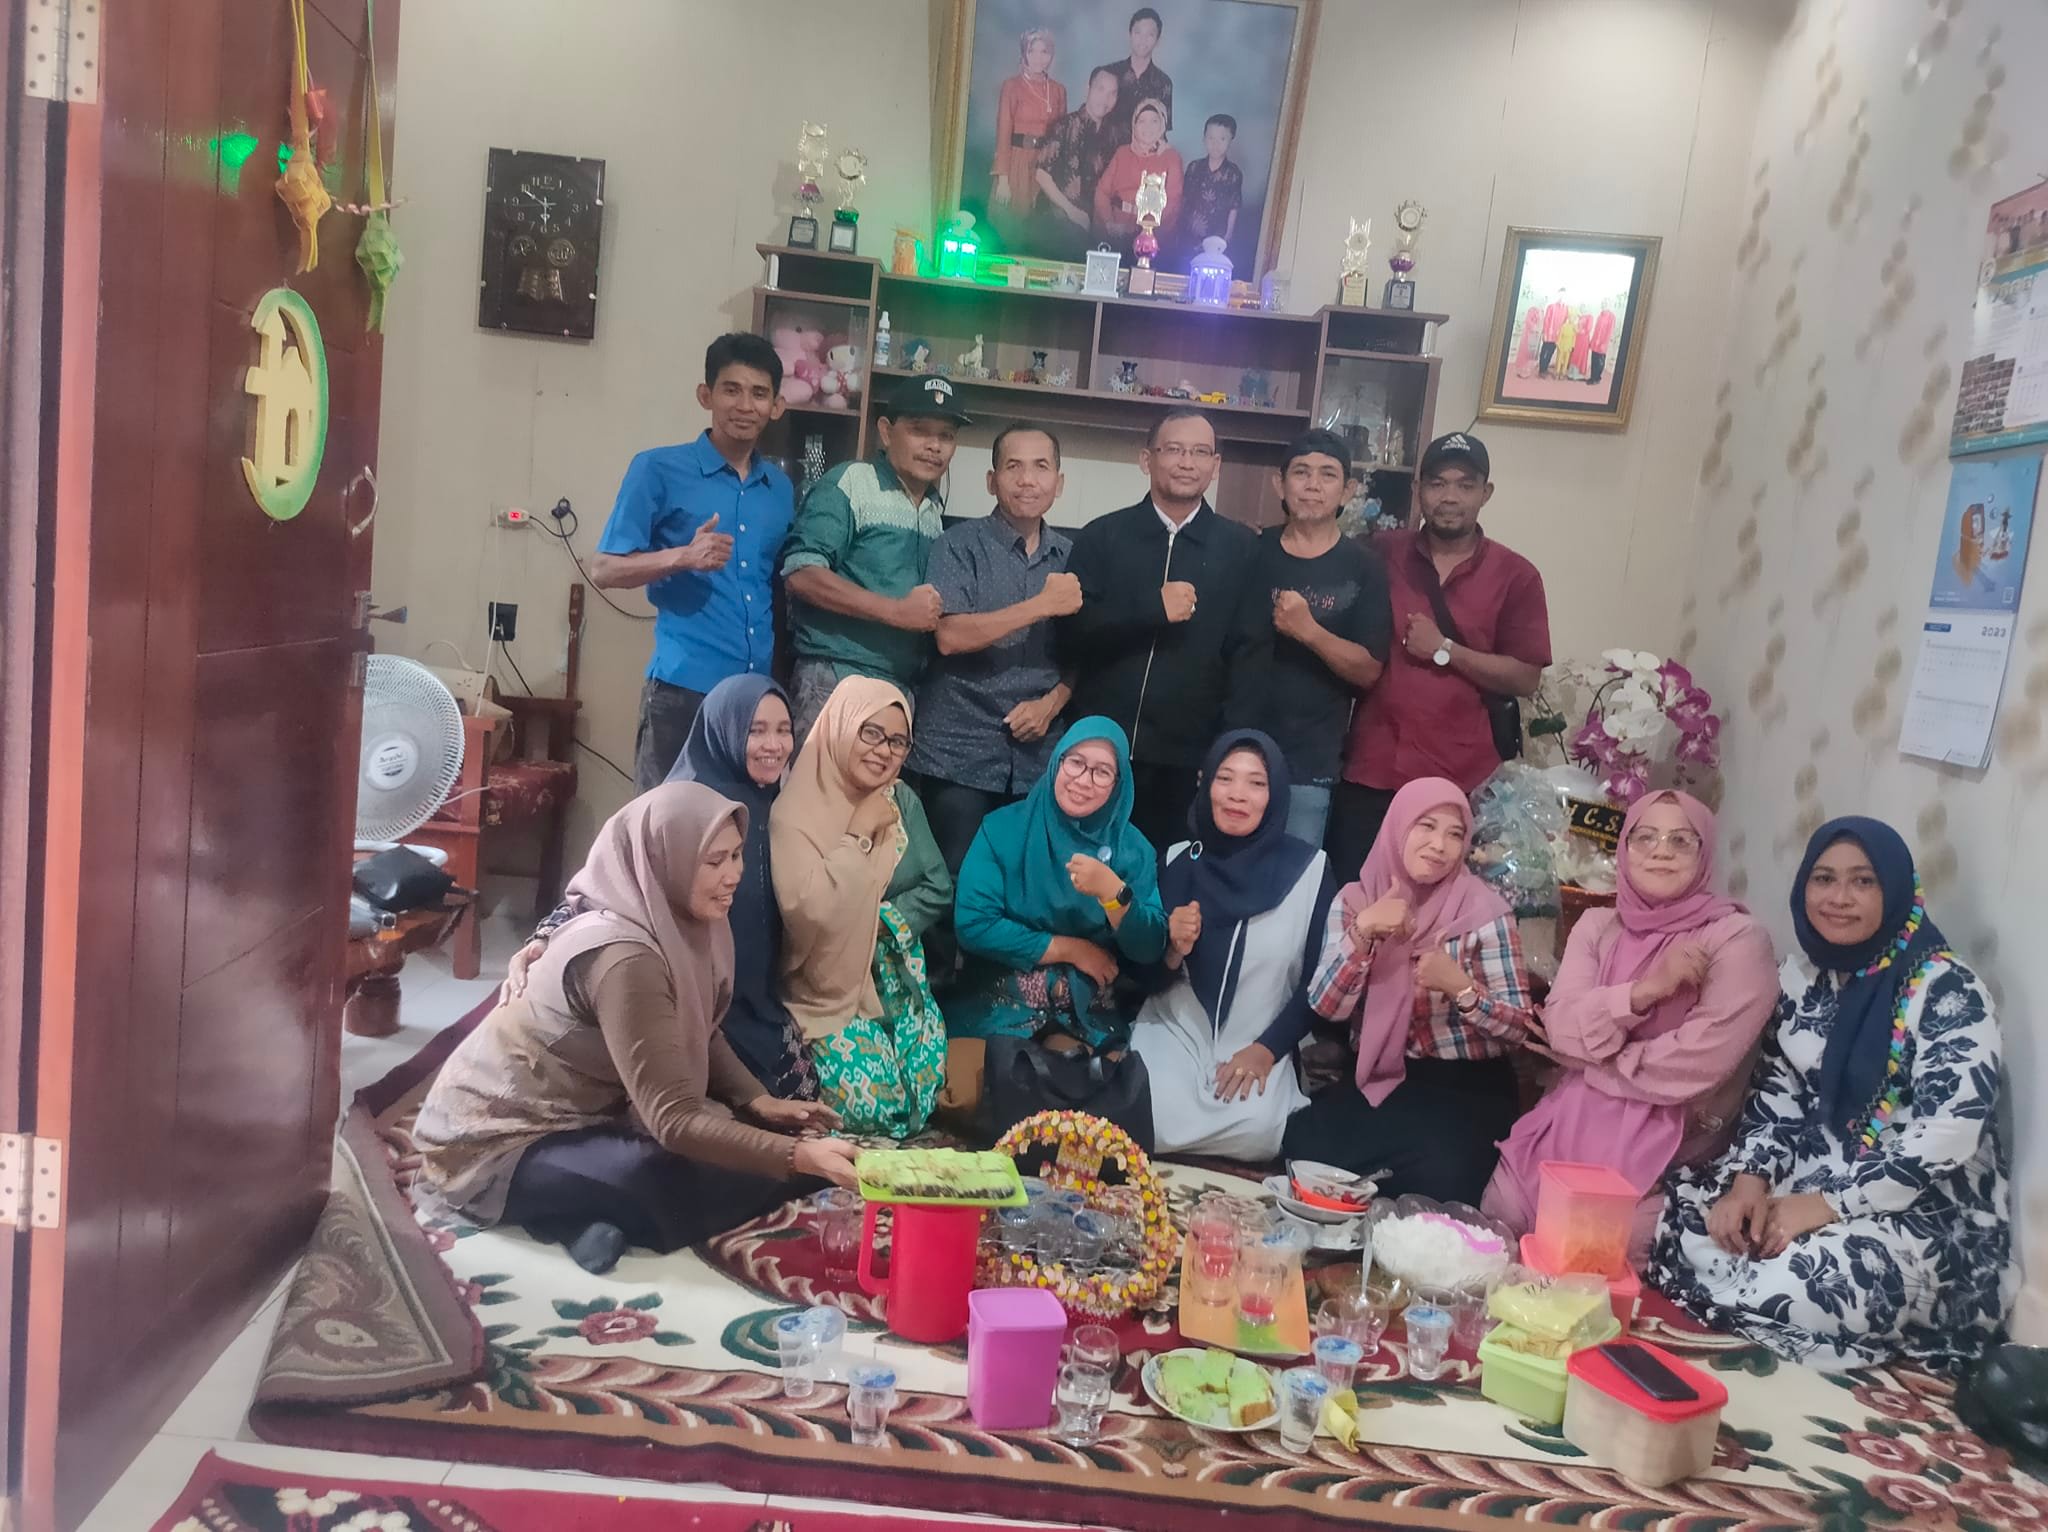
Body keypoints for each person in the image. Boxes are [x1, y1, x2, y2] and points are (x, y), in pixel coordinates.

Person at [412, 783, 858, 1276]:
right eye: (714, 861)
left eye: (736, 856)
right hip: (497, 1142)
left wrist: (758, 1100)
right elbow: (674, 1121)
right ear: (664, 860)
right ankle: (569, 1214)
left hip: (586, 1112)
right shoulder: (625, 957)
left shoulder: (683, 918)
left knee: (732, 1137)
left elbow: (698, 1025)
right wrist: (801, 1159)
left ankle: (582, 1218)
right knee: (670, 1168)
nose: (733, 874)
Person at [1648, 818, 2015, 1373]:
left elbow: (1950, 1130)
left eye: (1863, 881)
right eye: (1824, 879)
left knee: (1809, 1280)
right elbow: (1778, 1091)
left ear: (1895, 890)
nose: (1838, 898)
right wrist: (1750, 1183)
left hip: (1925, 1212)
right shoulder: (1805, 980)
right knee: (1693, 1219)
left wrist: (1825, 1207)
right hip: (1810, 1179)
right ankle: (1756, 1284)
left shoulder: (1947, 990)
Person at [1481, 791, 1778, 1257]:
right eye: (1645, 837)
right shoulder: (1598, 925)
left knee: (1602, 1253)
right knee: (1500, 1222)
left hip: (1670, 1140)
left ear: (1704, 854)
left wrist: (1592, 1062)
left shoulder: (1737, 939)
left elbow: (1697, 1061)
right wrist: (1645, 992)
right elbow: (1563, 1027)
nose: (1661, 851)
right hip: (1568, 1121)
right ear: (1625, 849)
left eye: (1681, 841)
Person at [501, 676, 817, 1102]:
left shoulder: (774, 803)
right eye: (755, 731)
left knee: (808, 1101)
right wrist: (545, 937)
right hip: (692, 1001)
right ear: (722, 731)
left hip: (753, 1000)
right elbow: (613, 879)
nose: (773, 745)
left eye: (783, 730)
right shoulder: (685, 805)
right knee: (741, 1121)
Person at [1283, 778, 1539, 1205]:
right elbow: (1326, 1005)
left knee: (1443, 1177)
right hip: (1380, 1077)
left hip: (1466, 1087)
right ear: (1397, 828)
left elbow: (1517, 1028)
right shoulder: (1357, 901)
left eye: (1454, 834)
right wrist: (1363, 932)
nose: (1439, 846)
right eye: (1426, 826)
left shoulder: (1484, 911)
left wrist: (1461, 987)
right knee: (1303, 1148)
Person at [1327, 432, 1550, 880]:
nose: (1450, 497)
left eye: (1465, 485)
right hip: (1372, 770)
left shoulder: (1516, 575)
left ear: (1486, 493)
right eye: (1437, 483)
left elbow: (1526, 677)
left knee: (1442, 909)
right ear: (1418, 489)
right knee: (1353, 897)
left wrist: (1446, 650)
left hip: (1459, 781)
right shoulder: (1380, 552)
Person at [1060, 409, 1269, 854]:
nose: (1187, 462)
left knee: (1168, 875)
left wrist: (1228, 751)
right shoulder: (1102, 536)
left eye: (1200, 452)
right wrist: (1150, 609)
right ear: (1146, 459)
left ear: (1216, 465)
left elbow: (1251, 659)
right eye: (1173, 449)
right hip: (1100, 750)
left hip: (1188, 759)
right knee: (1082, 867)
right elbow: (1070, 634)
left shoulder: (1242, 549)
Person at [592, 333, 793, 788]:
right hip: (683, 690)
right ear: (706, 395)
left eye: (759, 393)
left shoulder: (780, 490)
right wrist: (682, 556)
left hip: (754, 699)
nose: (745, 405)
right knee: (665, 824)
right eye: (731, 390)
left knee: (739, 825)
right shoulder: (658, 469)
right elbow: (603, 569)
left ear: (776, 406)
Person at [1132, 731, 1332, 1160]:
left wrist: (1267, 1050)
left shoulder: (1311, 870)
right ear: (1205, 784)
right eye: (1225, 778)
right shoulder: (1176, 860)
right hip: (1177, 1031)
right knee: (1149, 1118)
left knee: (1260, 1130)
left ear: (1276, 794)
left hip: (1258, 1037)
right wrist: (1171, 950)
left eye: (1256, 783)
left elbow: (1320, 984)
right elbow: (1142, 979)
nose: (1237, 794)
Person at [771, 676, 952, 1138]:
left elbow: (937, 885)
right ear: (840, 728)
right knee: (876, 1107)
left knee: (924, 1092)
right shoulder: (794, 814)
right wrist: (857, 834)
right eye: (871, 733)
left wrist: (880, 921)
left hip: (894, 974)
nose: (883, 751)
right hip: (824, 990)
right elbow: (813, 913)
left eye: (898, 741)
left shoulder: (901, 800)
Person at [908, 424, 1079, 878]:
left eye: (1041, 467)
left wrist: (1051, 705)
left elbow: (1085, 654)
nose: (1027, 480)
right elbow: (949, 636)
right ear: (991, 480)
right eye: (1013, 467)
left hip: (1039, 752)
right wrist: (1041, 605)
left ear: (1059, 482)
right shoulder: (957, 545)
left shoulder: (1074, 557)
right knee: (952, 881)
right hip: (958, 748)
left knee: (1024, 884)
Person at [948, 718, 1167, 1050]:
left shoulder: (1132, 850)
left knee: (1083, 1075)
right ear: (1056, 762)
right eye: (1076, 762)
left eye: (1102, 772)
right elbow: (973, 924)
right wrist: (1072, 949)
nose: (1083, 780)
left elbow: (1149, 948)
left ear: (1119, 783)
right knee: (982, 1073)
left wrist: (1114, 896)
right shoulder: (1004, 828)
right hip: (997, 996)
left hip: (1086, 1007)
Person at [780, 375, 970, 738]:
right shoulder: (852, 482)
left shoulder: (932, 508)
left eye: (946, 436)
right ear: (886, 431)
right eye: (919, 430)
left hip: (899, 689)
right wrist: (896, 611)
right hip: (835, 677)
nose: (934, 446)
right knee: (819, 778)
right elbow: (801, 572)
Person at [1256, 430, 1390, 848]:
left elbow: (1368, 670)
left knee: (1295, 877)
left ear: (1347, 490)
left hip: (1310, 763)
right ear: (1279, 484)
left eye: (1327, 474)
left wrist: (1309, 631)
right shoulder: (1249, 551)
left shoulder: (1365, 567)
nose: (1313, 485)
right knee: (1226, 872)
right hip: (1238, 753)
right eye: (1301, 472)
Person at [1035, 66, 1120, 262]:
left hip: (1094, 229)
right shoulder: (1064, 125)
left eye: (1112, 93)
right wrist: (1071, 211)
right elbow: (1041, 174)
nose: (1105, 99)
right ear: (1087, 89)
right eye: (1100, 89)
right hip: (1057, 222)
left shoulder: (1114, 136)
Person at [989, 28, 1066, 240]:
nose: (1038, 58)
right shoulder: (1011, 86)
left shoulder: (1058, 90)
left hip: (1045, 166)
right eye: (1032, 51)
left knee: (1040, 230)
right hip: (1016, 162)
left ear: (1051, 55)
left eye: (1044, 52)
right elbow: (1003, 133)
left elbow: (1061, 139)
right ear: (1024, 53)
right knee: (1010, 226)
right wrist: (1003, 179)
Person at [1094, 100, 1182, 254]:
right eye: (1142, 121)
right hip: (1116, 231)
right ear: (1134, 125)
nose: (1148, 127)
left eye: (1154, 121)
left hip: (1151, 237)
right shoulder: (1122, 153)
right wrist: (1109, 223)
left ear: (1162, 125)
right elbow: (1102, 191)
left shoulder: (1171, 158)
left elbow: (1173, 202)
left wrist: (1146, 230)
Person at [1097, 7, 1173, 147]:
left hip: (1144, 155)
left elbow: (1162, 132)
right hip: (1106, 152)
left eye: (1150, 35)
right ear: (1130, 34)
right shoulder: (1109, 73)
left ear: (1158, 40)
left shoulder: (1164, 83)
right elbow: (1094, 116)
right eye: (1138, 33)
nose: (1143, 40)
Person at [1176, 114, 1243, 266]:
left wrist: (1228, 235)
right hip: (1189, 235)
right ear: (1204, 138)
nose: (1215, 144)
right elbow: (1184, 200)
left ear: (1231, 140)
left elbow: (1234, 206)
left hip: (1217, 237)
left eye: (1222, 139)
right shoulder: (1194, 167)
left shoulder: (1233, 173)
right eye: (1211, 138)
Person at [1539, 288, 1568, 379]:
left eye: (1564, 295)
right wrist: (1544, 333)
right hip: (1549, 334)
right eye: (1560, 294)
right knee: (1545, 352)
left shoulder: (1566, 308)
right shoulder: (1551, 307)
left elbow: (1565, 322)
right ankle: (1541, 370)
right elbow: (1546, 320)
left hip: (1558, 336)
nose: (1562, 297)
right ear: (1558, 294)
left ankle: (1545, 368)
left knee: (1551, 352)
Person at [1588, 300, 1618, 386]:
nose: (1603, 305)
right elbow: (1596, 329)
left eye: (1605, 304)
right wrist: (1592, 341)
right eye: (1603, 303)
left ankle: (1597, 378)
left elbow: (1609, 331)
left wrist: (1604, 343)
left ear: (1608, 305)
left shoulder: (1611, 317)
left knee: (1599, 361)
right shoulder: (1600, 315)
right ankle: (1592, 377)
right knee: (1594, 360)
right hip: (1595, 342)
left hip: (1603, 343)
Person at [1514, 302, 1543, 379]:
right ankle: (1522, 370)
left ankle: (1527, 370)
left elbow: (1541, 323)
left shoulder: (1541, 311)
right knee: (1525, 351)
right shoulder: (1532, 310)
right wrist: (1534, 327)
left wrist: (1539, 330)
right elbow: (1528, 320)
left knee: (1531, 353)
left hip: (1535, 335)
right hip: (1529, 333)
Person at [1569, 308, 1594, 382]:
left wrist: (1579, 331)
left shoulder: (1589, 317)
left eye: (1584, 306)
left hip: (1583, 338)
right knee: (1576, 354)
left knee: (1580, 354)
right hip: (1579, 338)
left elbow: (1588, 329)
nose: (1583, 308)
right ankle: (1573, 373)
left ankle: (1576, 373)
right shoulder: (1580, 317)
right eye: (1582, 306)